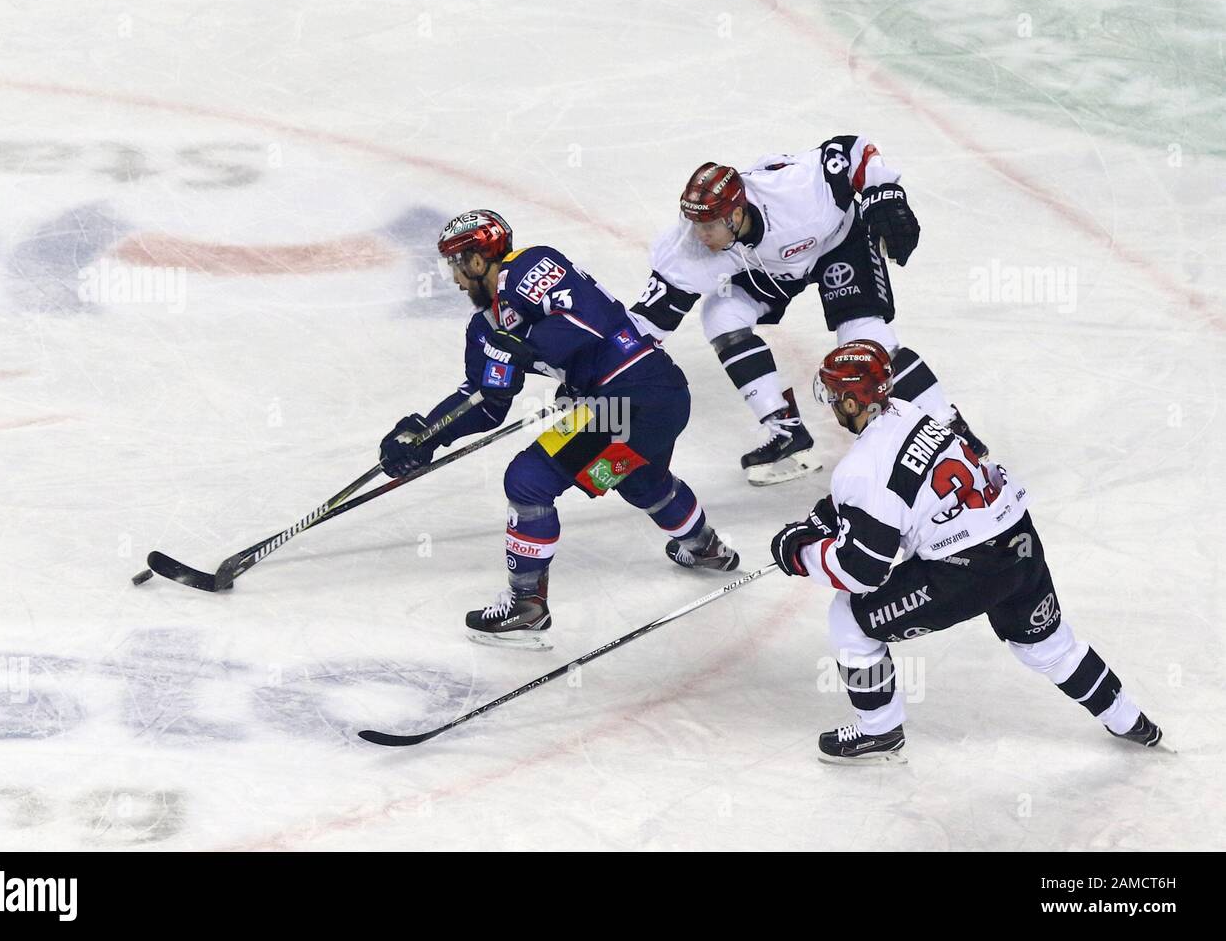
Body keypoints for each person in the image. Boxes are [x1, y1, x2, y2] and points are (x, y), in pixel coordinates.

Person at [769, 340, 1162, 762]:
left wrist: (801, 555)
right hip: (1018, 539)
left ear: (851, 401)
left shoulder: (861, 468)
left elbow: (863, 571)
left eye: (833, 395)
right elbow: (898, 492)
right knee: (1049, 646)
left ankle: (879, 731)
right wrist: (829, 517)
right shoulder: (909, 411)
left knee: (849, 618)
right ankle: (1133, 723)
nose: (830, 404)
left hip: (966, 570)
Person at [380, 210, 739, 650]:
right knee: (638, 479)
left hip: (633, 394)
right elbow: (487, 402)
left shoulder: (527, 268)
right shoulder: (485, 327)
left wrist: (525, 351)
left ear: (477, 261)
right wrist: (427, 434)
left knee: (528, 481)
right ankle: (705, 546)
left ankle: (526, 605)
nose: (453, 280)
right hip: (644, 408)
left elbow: (587, 322)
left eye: (455, 265)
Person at [629, 136, 987, 485]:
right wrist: (607, 357)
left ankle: (951, 428)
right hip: (768, 267)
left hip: (837, 244)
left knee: (864, 339)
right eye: (695, 224)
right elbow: (647, 322)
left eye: (708, 226)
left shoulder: (797, 195)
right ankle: (785, 430)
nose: (700, 235)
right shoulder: (689, 246)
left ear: (736, 214)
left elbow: (852, 150)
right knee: (721, 314)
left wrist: (884, 194)